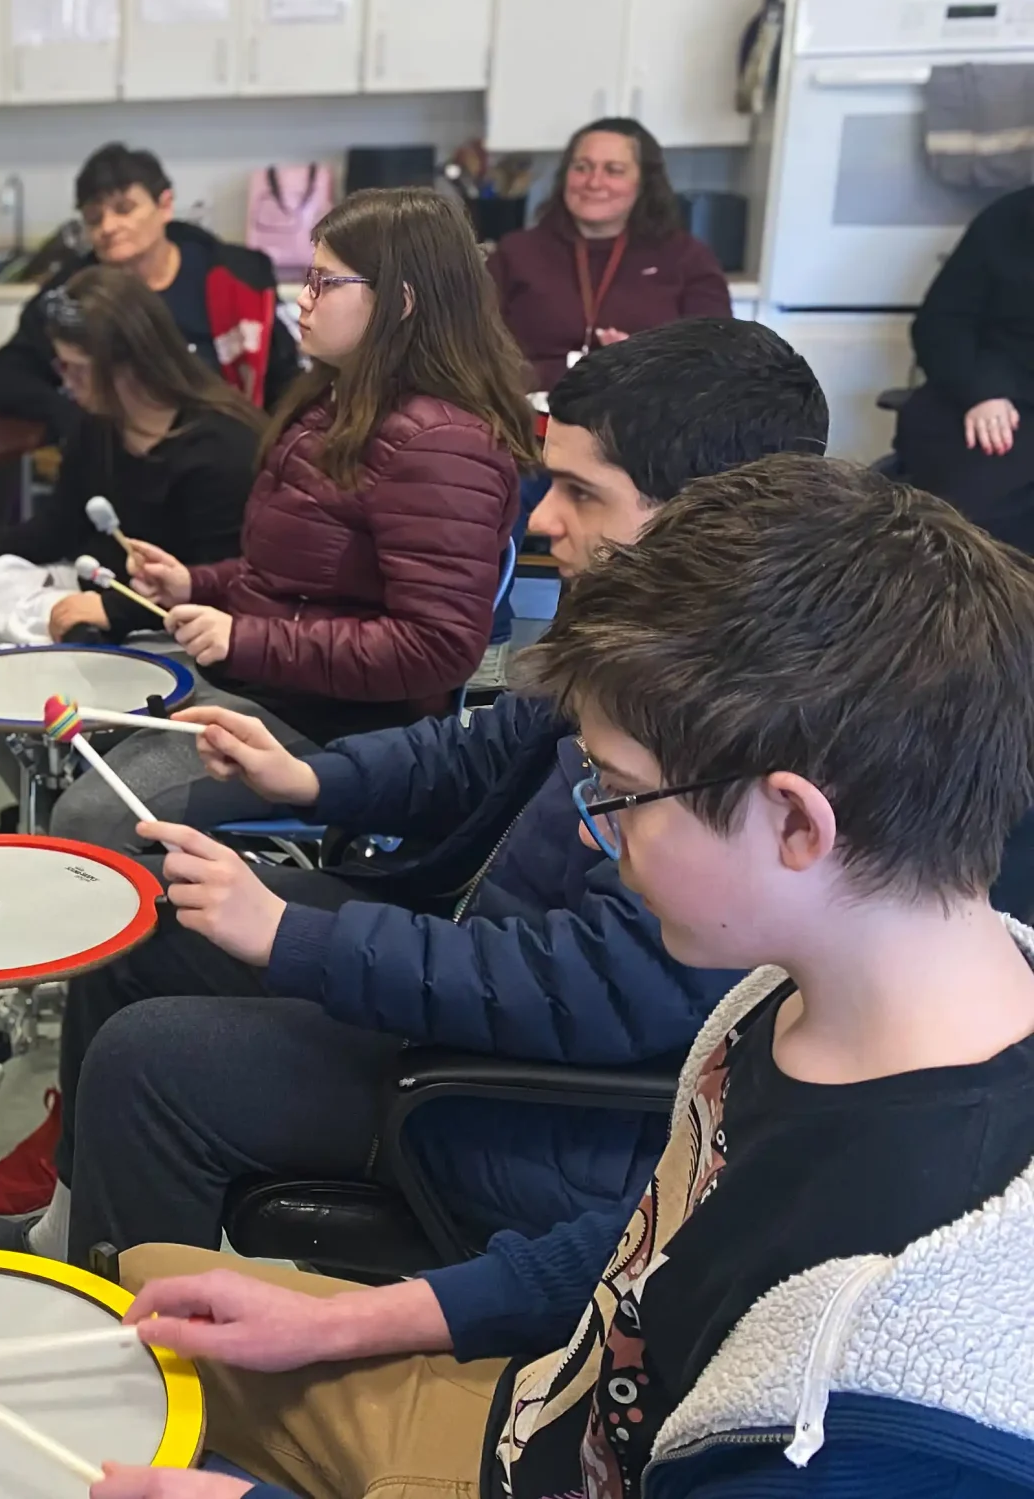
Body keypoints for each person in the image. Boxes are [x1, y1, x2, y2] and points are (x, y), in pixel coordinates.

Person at [88, 456, 1034, 1499]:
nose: (596, 831)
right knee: (136, 1311)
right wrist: (355, 1315)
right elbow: (656, 1244)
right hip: (540, 1407)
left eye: (617, 793)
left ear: (795, 821)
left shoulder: (869, 1409)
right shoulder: (789, 995)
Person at [0, 323, 827, 1270]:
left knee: (151, 1059)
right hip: (472, 961)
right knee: (146, 911)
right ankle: (71, 1243)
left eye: (582, 493)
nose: (543, 520)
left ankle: (166, 1383)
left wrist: (298, 936)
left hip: (529, 1095)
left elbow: (596, 989)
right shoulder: (637, 630)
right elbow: (474, 751)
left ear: (706, 513)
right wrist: (307, 778)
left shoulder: (740, 734)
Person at [45, 186, 534, 854]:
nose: (301, 299)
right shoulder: (331, 398)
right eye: (307, 279)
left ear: (403, 301)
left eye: (324, 283)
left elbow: (437, 650)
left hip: (338, 722)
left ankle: (170, 954)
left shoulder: (443, 445)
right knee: (35, 726)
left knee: (88, 819)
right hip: (274, 681)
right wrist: (197, 583)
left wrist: (245, 638)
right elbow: (288, 577)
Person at [0, 267, 262, 642]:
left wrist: (113, 611)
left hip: (168, 618)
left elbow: (222, 584)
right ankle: (66, 635)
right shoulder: (98, 423)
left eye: (78, 369)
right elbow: (61, 525)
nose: (66, 382)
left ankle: (71, 640)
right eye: (61, 366)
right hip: (92, 587)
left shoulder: (222, 448)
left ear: (130, 364)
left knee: (44, 625)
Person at [0, 143, 297, 445]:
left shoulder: (236, 277)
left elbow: (287, 378)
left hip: (231, 451)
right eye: (94, 218)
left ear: (165, 206)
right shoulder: (72, 293)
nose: (108, 227)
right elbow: (4, 377)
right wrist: (79, 423)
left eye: (124, 209)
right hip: (122, 456)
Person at [487, 116, 732, 389]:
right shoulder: (515, 253)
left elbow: (717, 362)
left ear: (644, 183)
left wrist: (645, 363)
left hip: (649, 417)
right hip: (533, 418)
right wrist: (567, 369)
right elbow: (479, 356)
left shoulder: (689, 258)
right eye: (582, 167)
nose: (593, 182)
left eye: (613, 170)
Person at [891, 184, 1034, 555]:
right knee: (974, 520)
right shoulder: (1008, 220)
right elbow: (939, 324)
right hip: (995, 397)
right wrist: (982, 392)